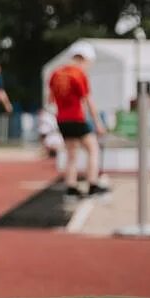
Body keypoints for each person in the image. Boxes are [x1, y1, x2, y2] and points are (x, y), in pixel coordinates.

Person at [47, 42, 109, 201]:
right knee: (93, 149)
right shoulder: (78, 74)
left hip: (61, 119)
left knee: (71, 154)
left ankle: (71, 187)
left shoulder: (55, 73)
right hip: (76, 117)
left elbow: (50, 99)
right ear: (84, 59)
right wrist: (98, 124)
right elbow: (88, 101)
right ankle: (93, 184)